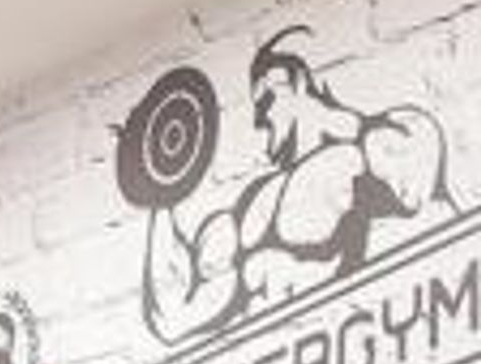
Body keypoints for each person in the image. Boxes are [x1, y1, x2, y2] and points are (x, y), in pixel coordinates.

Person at [142, 28, 453, 343]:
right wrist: (161, 192)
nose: (259, 119)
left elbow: (437, 220)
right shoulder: (250, 208)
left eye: (266, 100)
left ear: (299, 82)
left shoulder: (380, 143)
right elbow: (174, 320)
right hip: (283, 360)